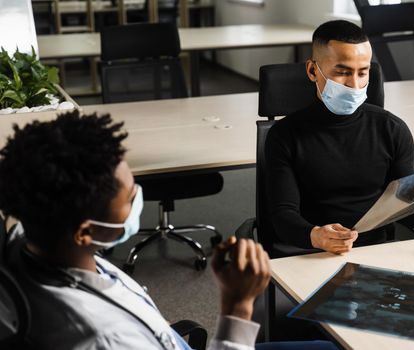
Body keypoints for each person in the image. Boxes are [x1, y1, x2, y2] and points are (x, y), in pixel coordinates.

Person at [0, 111, 336, 350]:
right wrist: (237, 305)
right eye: (131, 195)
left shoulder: (27, 246)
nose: (138, 197)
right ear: (85, 233)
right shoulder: (104, 338)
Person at [265, 20, 414, 254]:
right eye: (342, 72)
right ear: (312, 71)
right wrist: (317, 236)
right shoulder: (285, 135)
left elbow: (408, 213)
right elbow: (282, 216)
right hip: (309, 251)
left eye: (363, 72)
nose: (355, 84)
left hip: (375, 251)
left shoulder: (392, 129)